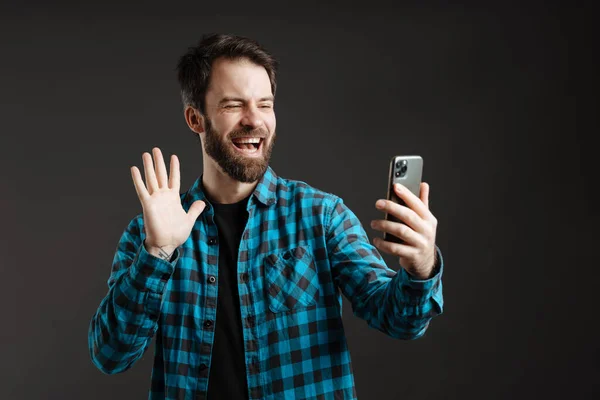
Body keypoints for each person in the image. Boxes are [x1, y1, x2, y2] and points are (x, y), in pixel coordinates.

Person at [88, 33, 444, 400]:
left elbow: (399, 319)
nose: (254, 121)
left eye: (265, 104)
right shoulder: (149, 232)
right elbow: (109, 355)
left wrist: (420, 267)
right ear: (196, 119)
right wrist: (157, 254)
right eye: (233, 105)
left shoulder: (321, 216)